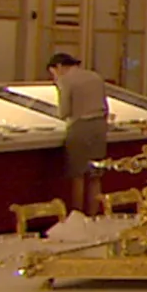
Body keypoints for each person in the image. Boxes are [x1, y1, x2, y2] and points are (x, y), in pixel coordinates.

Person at [48, 52, 110, 215]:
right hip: (99, 126)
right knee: (95, 175)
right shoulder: (95, 77)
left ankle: (78, 216)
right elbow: (105, 106)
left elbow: (64, 111)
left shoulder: (66, 80)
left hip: (80, 126)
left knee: (78, 175)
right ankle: (94, 215)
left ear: (58, 67)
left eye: (53, 73)